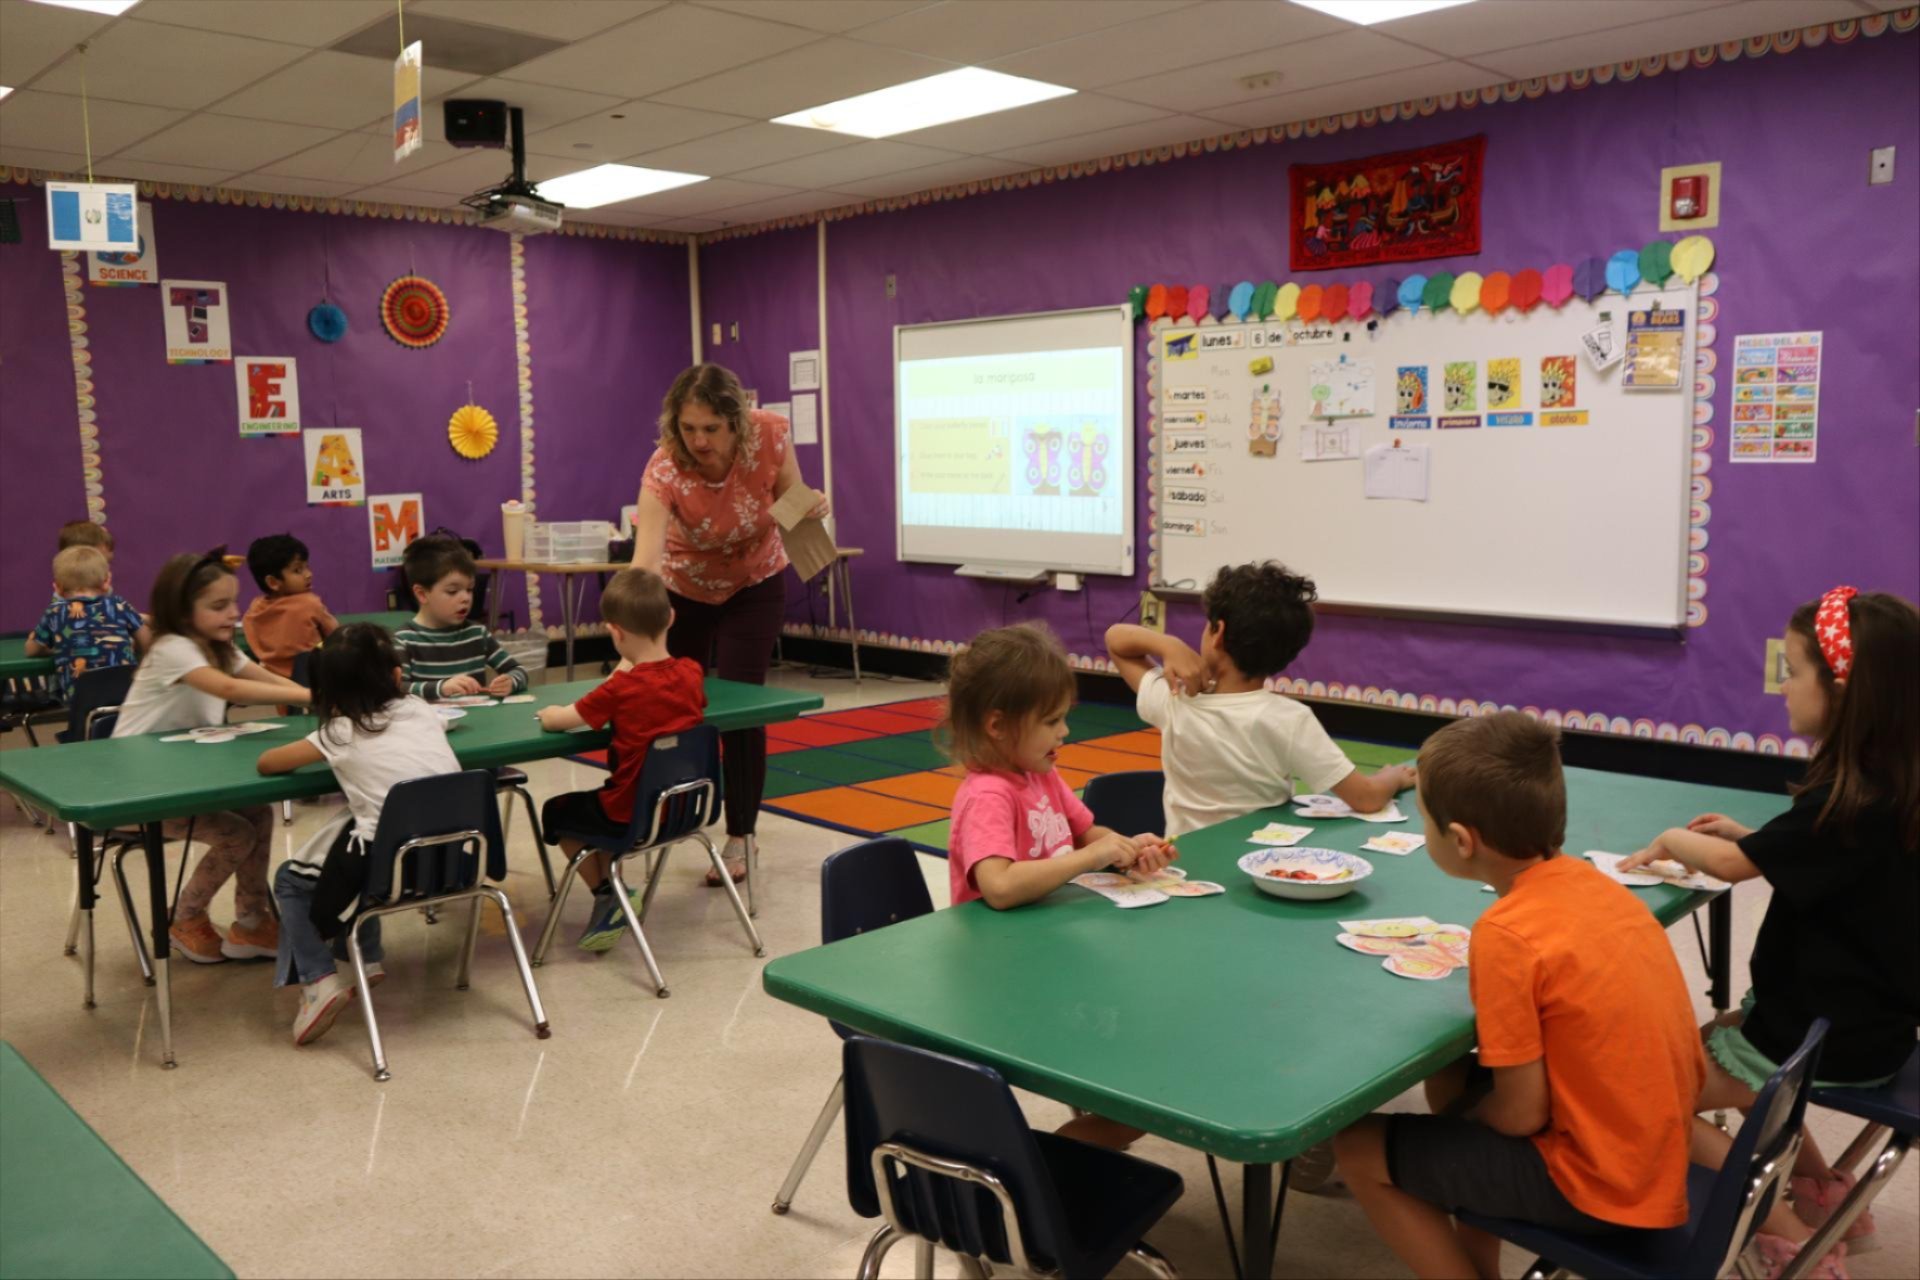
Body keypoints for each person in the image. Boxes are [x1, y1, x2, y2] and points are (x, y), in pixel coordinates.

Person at [1334, 712, 1705, 1280]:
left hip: (1604, 1186)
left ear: (1460, 841)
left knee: (1359, 1147)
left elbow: (1521, 1113)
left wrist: (1470, 1120)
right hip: (1654, 1155)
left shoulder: (1508, 935)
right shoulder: (1601, 889)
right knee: (1456, 1079)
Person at [1622, 587, 1918, 1279]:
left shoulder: (1846, 803)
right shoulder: (1888, 788)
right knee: (1709, 1039)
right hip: (1874, 1029)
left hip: (1818, 1038)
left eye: (1793, 670)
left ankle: (1793, 1241)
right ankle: (1822, 1189)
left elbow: (1727, 866)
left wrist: (1671, 839)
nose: (1783, 687)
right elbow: (1824, 864)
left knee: (1641, 1100)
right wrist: (1755, 837)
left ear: (1843, 692)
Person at [942, 622, 1176, 1148]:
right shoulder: (988, 795)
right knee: (1143, 1043)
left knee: (1152, 1017)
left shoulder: (1040, 774)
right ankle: (1049, 1168)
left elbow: (1087, 830)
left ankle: (1092, 1133)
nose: (1065, 733)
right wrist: (1090, 857)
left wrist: (1128, 849)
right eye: (1051, 721)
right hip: (1002, 982)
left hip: (1050, 957)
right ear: (999, 725)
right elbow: (998, 887)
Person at [631, 363, 829, 886]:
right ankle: (670, 815)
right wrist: (635, 629)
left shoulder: (769, 434)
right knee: (680, 703)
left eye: (711, 428)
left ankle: (741, 833)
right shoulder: (664, 468)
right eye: (688, 427)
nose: (698, 439)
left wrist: (811, 506)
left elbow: (792, 498)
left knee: (742, 704)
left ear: (736, 422)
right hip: (684, 587)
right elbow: (645, 560)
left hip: (754, 581)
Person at [256, 624, 459, 1044]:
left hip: (391, 870)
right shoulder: (422, 710)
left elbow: (269, 764)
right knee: (351, 833)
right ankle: (364, 960)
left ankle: (318, 982)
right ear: (398, 677)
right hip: (455, 860)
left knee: (292, 880)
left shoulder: (341, 731)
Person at [1106, 561, 1415, 836]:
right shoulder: (1289, 719)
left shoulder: (1177, 699)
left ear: (1218, 633)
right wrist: (1392, 779)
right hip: (1260, 862)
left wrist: (1166, 644)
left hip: (1185, 866)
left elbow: (1116, 641)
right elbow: (1367, 798)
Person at [112, 551, 311, 964]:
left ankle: (251, 923)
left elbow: (264, 677)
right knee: (236, 834)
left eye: (233, 604)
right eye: (218, 606)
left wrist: (310, 696)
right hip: (139, 790)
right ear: (183, 612)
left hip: (186, 780)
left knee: (259, 813)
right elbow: (232, 690)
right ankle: (184, 918)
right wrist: (311, 696)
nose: (232, 615)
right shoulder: (174, 647)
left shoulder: (218, 646)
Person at [535, 568, 707, 951]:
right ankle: (614, 889)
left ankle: (607, 893)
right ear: (671, 618)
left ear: (614, 632)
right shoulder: (692, 674)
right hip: (684, 807)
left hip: (633, 813)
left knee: (558, 813)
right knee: (603, 803)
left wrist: (548, 713)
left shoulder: (620, 688)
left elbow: (560, 721)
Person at [394, 536, 527, 700]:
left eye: (470, 589)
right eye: (452, 591)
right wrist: (441, 688)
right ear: (422, 594)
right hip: (430, 724)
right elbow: (398, 689)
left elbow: (518, 670)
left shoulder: (478, 634)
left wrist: (511, 681)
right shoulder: (404, 640)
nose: (466, 598)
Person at [24, 545, 148, 698]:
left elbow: (31, 650)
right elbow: (148, 643)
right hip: (126, 699)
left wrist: (55, 647)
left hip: (80, 705)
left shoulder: (55, 612)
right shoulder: (120, 605)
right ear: (107, 582)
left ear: (58, 588)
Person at [241, 533, 338, 679]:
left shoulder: (255, 609)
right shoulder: (309, 603)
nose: (308, 574)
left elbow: (253, 642)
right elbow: (336, 633)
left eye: (307, 567)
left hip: (276, 684)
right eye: (298, 570)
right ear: (273, 582)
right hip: (315, 678)